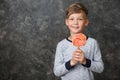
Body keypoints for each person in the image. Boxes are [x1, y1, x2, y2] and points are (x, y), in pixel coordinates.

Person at [53, 2, 104, 80]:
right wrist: (71, 62)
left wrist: (85, 61)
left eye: (80, 19)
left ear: (86, 22)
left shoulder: (92, 43)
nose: (75, 22)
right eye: (72, 19)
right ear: (67, 22)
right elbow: (57, 72)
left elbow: (100, 68)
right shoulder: (61, 45)